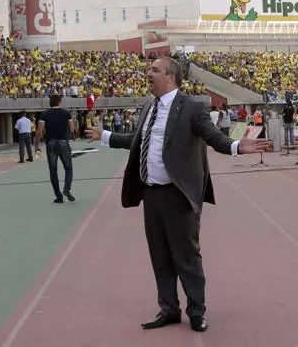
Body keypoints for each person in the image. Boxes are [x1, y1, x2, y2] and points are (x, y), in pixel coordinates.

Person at [85, 57, 268, 332]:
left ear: (170, 76)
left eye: (154, 70)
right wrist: (106, 136)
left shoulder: (191, 107)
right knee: (159, 255)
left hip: (178, 195)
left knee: (187, 257)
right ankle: (168, 309)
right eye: (149, 70)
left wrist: (235, 147)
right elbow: (137, 140)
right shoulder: (149, 106)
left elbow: (212, 137)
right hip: (152, 194)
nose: (148, 74)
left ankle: (196, 311)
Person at [35, 95, 76, 203]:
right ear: (60, 102)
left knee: (53, 171)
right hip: (63, 142)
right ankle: (67, 188)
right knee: (68, 168)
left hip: (51, 143)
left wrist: (36, 145)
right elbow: (72, 129)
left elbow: (39, 131)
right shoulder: (66, 113)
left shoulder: (44, 114)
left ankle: (58, 196)